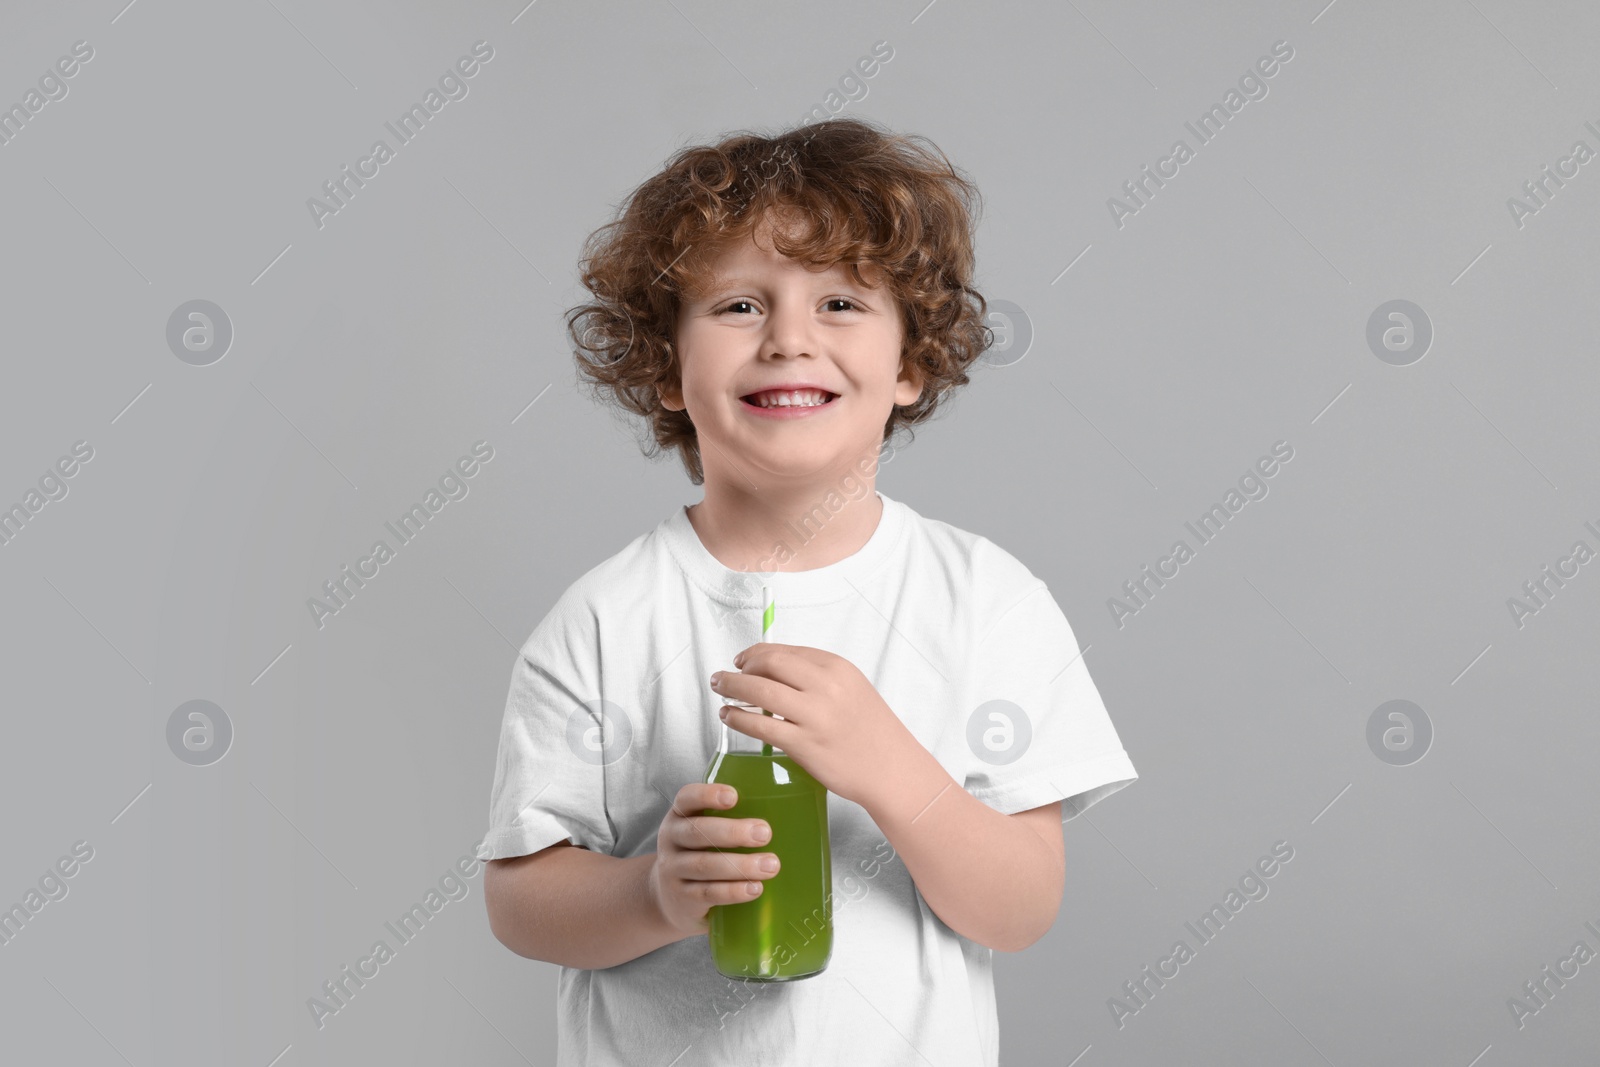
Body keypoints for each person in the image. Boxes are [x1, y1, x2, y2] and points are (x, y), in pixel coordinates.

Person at [480, 116, 1139, 1065]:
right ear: (667, 368)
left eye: (840, 304)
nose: (789, 339)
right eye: (740, 306)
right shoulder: (602, 619)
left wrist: (890, 768)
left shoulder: (987, 600)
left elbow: (1021, 906)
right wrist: (654, 895)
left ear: (910, 364)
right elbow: (521, 900)